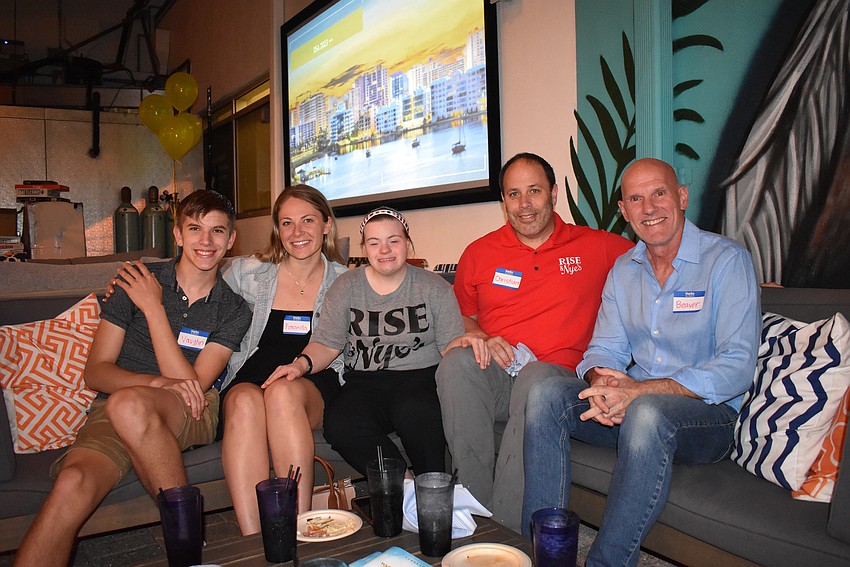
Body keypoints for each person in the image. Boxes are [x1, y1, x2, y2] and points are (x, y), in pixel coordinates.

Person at [522, 158, 761, 564]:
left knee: (648, 411)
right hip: (633, 409)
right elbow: (604, 349)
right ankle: (542, 555)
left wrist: (639, 393)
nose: (649, 208)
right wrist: (604, 384)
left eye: (659, 194)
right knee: (546, 392)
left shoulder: (727, 262)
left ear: (681, 197)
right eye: (636, 198)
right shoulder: (623, 270)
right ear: (624, 211)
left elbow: (737, 366)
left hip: (708, 417)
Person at [13, 190, 251, 567]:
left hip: (191, 410)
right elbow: (96, 371)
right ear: (177, 234)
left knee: (131, 403)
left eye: (217, 231)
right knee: (72, 483)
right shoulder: (135, 280)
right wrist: (154, 383)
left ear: (231, 239)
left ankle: (186, 554)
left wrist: (153, 308)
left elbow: (193, 387)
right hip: (116, 407)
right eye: (195, 229)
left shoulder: (235, 309)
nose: (205, 242)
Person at [435, 152, 634, 530]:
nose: (524, 205)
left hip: (558, 381)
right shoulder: (479, 253)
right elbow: (464, 314)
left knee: (536, 377)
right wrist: (477, 333)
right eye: (513, 194)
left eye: (534, 191)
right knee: (456, 364)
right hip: (498, 376)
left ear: (554, 194)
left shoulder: (598, 246)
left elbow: (655, 259)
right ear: (504, 202)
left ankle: (508, 530)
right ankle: (473, 508)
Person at [265, 207, 488, 476]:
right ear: (365, 248)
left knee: (422, 416)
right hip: (365, 383)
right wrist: (299, 366)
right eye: (374, 243)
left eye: (393, 240)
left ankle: (432, 493)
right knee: (340, 424)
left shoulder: (434, 287)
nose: (384, 250)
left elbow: (448, 346)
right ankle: (403, 486)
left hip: (420, 380)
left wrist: (470, 341)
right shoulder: (346, 287)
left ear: (407, 243)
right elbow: (327, 343)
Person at [218, 184, 347, 534]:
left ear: (326, 225)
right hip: (253, 374)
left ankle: (299, 528)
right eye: (287, 223)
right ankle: (255, 537)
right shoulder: (249, 272)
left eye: (308, 220)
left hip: (312, 382)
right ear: (277, 229)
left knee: (282, 391)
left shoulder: (346, 281)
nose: (297, 232)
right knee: (244, 399)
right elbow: (195, 284)